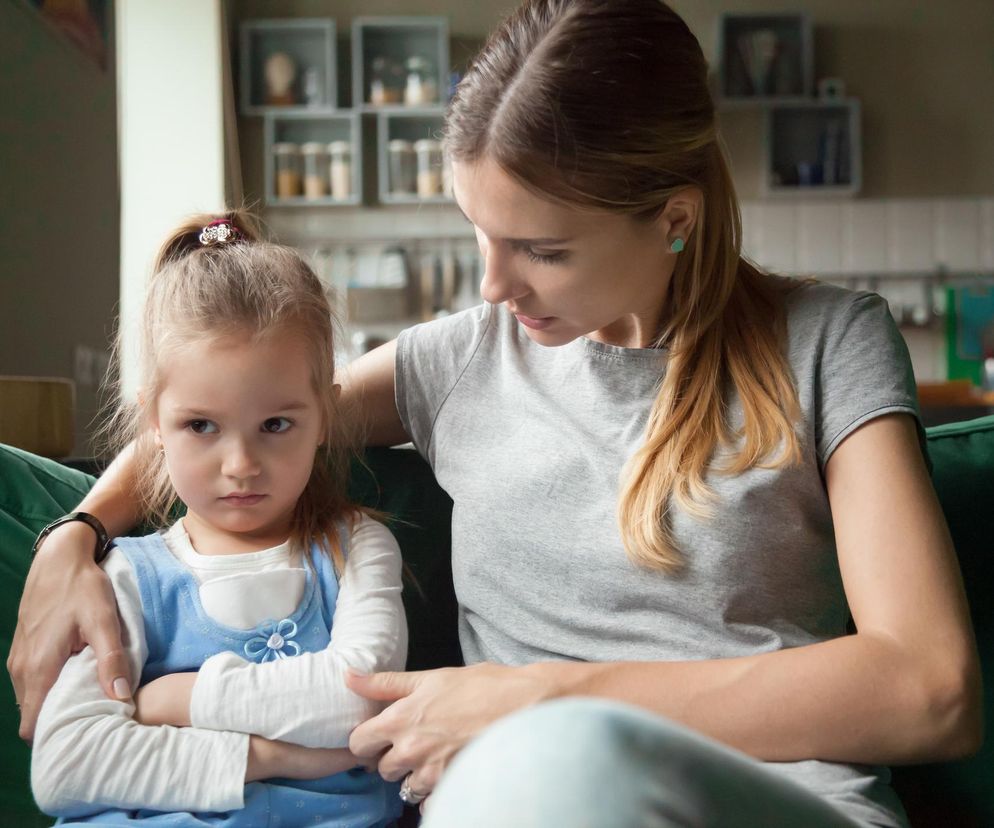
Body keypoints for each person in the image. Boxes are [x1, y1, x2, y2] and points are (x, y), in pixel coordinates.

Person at [10, 1, 982, 826]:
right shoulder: (458, 361)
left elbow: (930, 690)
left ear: (672, 220)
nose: (492, 284)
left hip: (756, 799)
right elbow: (233, 422)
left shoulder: (827, 341)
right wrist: (73, 539)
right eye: (480, 233)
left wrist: (541, 699)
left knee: (554, 765)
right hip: (506, 802)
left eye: (541, 248)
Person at [27, 212, 407, 826]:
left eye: (276, 425)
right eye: (201, 426)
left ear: (325, 418)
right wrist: (270, 756)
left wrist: (181, 699)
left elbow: (360, 697)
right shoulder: (126, 574)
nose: (240, 465)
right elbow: (64, 765)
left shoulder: (357, 547)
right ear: (154, 422)